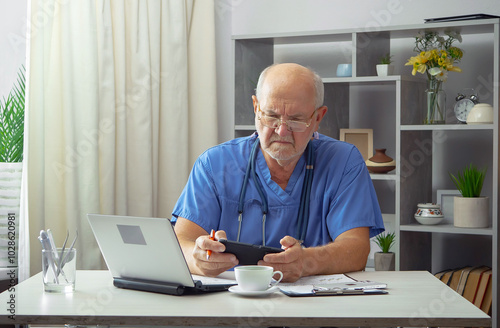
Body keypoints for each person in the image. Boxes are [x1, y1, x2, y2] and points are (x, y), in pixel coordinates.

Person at [172, 63, 384, 282]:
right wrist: (197, 258)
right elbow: (181, 242)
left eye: (296, 119)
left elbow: (356, 249)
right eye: (271, 116)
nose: (282, 131)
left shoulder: (343, 162)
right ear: (256, 108)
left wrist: (306, 261)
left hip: (316, 303)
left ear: (318, 118)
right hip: (230, 299)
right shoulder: (215, 165)